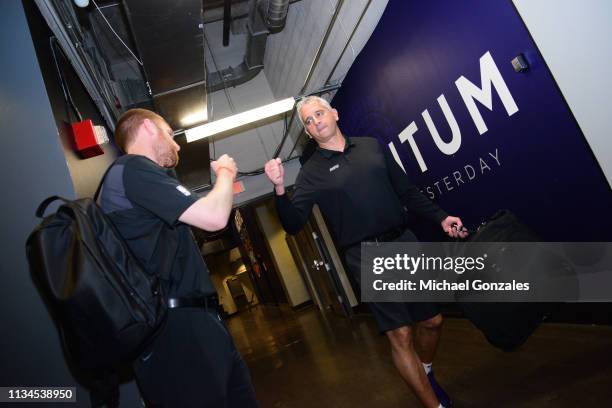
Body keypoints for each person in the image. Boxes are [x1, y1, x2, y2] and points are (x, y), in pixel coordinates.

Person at [264, 96, 468, 408]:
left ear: (334, 113)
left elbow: (407, 191)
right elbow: (292, 224)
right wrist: (279, 189)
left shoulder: (371, 146)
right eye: (308, 121)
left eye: (319, 113)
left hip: (404, 242)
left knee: (433, 321)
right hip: (366, 256)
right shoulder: (311, 174)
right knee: (400, 335)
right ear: (307, 132)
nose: (316, 121)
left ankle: (424, 369)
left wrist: (441, 217)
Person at [99, 108, 258, 407]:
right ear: (148, 128)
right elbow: (214, 218)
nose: (177, 145)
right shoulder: (132, 168)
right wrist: (225, 173)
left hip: (193, 322)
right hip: (176, 331)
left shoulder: (134, 178)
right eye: (170, 134)